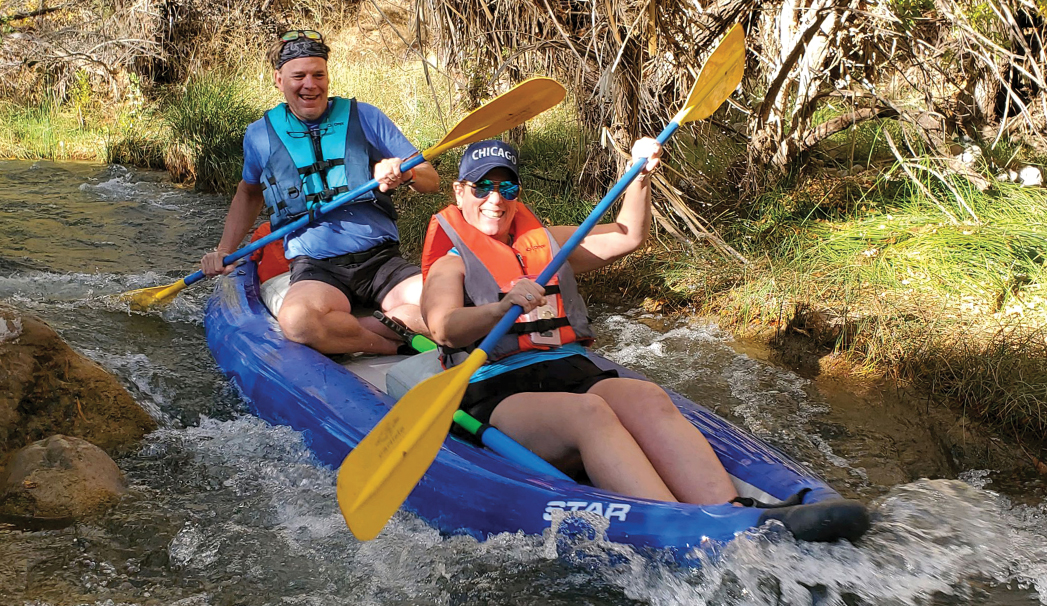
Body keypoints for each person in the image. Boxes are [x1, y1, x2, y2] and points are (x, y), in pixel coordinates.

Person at [419, 139, 738, 505]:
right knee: (590, 413)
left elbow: (628, 236)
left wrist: (640, 177)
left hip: (569, 370)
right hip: (497, 390)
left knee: (646, 396)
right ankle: (672, 520)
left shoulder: (549, 244)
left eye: (507, 187)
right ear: (460, 192)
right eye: (482, 187)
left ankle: (732, 513)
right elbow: (442, 327)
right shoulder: (451, 264)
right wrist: (498, 308)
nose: (496, 199)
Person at [200, 29, 439, 355]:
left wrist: (405, 170)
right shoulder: (259, 136)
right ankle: (388, 342)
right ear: (279, 79)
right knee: (298, 322)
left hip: (382, 261)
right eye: (299, 76)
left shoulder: (365, 116)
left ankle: (359, 334)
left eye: (318, 74)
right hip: (317, 267)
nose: (310, 84)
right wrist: (225, 249)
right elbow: (249, 193)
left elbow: (430, 179)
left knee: (445, 305)